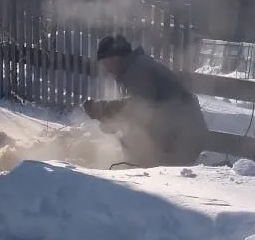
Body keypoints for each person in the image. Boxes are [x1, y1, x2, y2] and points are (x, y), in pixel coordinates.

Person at [82, 34, 208, 168]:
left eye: (105, 62)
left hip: (183, 136)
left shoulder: (137, 70)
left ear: (115, 57)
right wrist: (113, 120)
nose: (105, 68)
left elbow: (141, 107)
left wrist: (104, 109)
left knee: (145, 163)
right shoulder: (135, 66)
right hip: (182, 132)